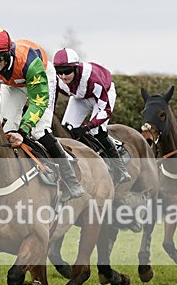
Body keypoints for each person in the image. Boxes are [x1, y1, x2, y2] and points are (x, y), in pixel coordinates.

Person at [0, 27, 83, 200]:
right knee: (5, 130)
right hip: (12, 84)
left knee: (39, 131)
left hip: (40, 77)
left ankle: (71, 180)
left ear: (7, 55)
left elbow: (38, 101)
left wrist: (23, 130)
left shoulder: (30, 63)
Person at [52, 47, 131, 185]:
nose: (63, 76)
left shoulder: (92, 79)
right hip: (80, 97)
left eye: (67, 71)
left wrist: (87, 126)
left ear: (76, 68)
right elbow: (52, 102)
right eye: (59, 72)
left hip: (103, 95)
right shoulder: (56, 79)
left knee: (96, 131)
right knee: (67, 129)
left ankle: (120, 169)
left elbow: (105, 110)